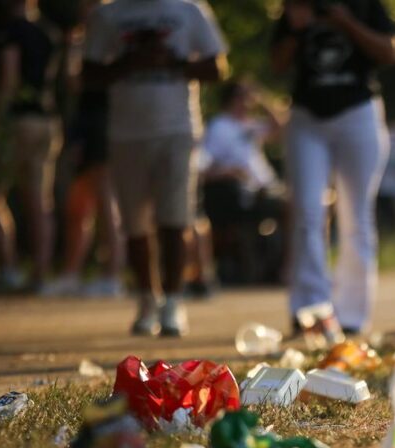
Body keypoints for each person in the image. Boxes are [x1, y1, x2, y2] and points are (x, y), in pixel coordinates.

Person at [83, 0, 228, 337]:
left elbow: (217, 69)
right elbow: (89, 73)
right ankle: (147, 300)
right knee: (134, 223)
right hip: (126, 132)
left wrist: (172, 62)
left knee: (174, 219)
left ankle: (173, 303)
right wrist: (127, 64)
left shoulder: (189, 10)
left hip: (177, 129)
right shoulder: (109, 14)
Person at [271, 0, 395, 342]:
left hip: (357, 111)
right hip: (306, 116)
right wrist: (297, 28)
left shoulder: (363, 4)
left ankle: (351, 315)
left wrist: (346, 23)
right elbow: (277, 63)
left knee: (356, 214)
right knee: (306, 212)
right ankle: (310, 311)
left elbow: (390, 52)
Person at [46, 0, 125, 298]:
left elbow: (76, 82)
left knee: (104, 199)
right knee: (79, 203)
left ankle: (112, 274)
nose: (85, 10)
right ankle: (72, 272)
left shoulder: (109, 40)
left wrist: (74, 53)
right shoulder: (83, 38)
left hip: (102, 124)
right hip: (85, 125)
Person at [0, 0, 63, 292]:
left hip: (19, 121)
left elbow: (9, 79)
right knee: (39, 201)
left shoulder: (11, 32)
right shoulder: (48, 32)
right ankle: (40, 275)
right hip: (48, 120)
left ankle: (9, 268)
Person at [201, 80, 286, 285]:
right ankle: (287, 271)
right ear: (233, 98)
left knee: (315, 203)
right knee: (292, 208)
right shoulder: (219, 126)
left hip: (267, 187)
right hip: (245, 193)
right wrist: (229, 172)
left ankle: (285, 268)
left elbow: (281, 127)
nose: (249, 101)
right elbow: (204, 167)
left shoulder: (250, 124)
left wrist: (262, 97)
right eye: (245, 96)